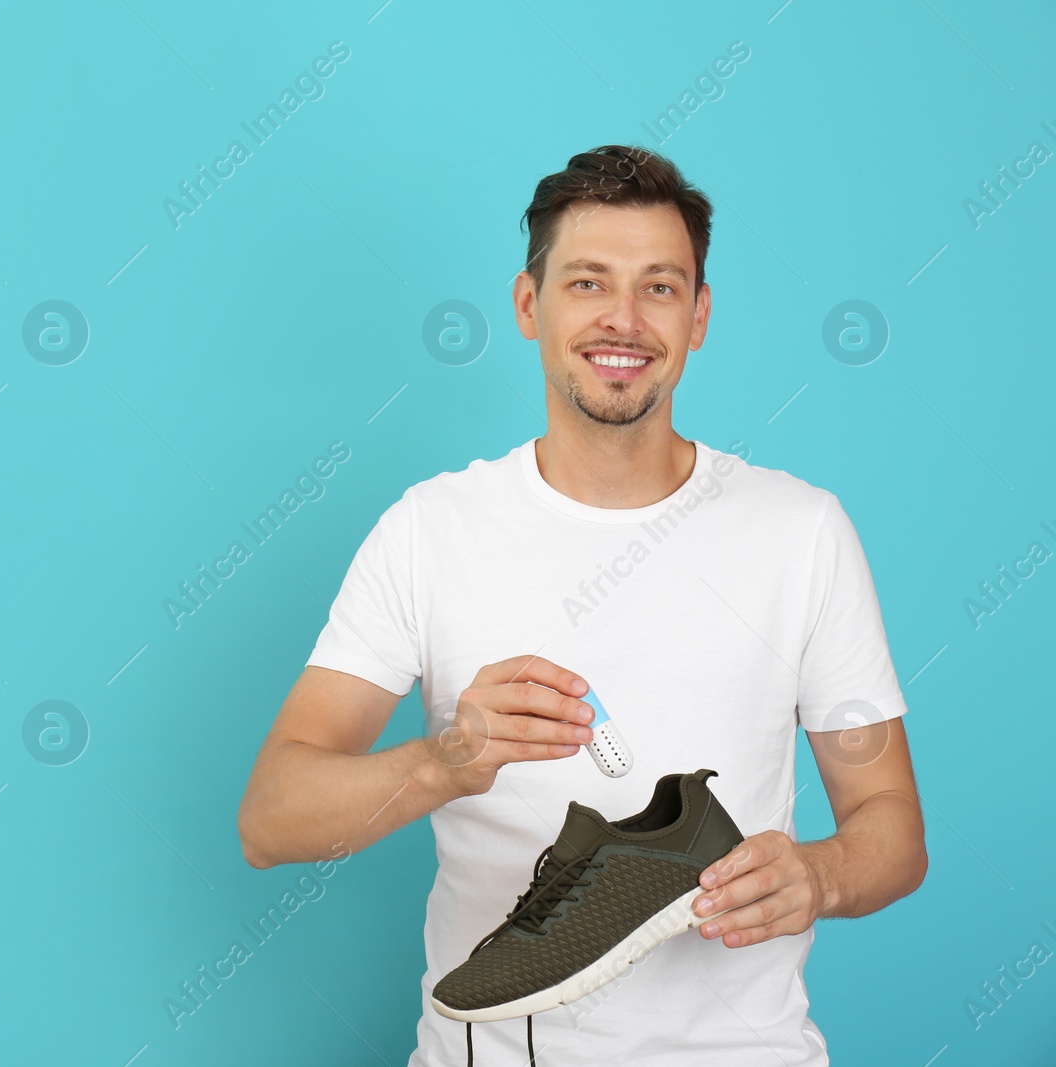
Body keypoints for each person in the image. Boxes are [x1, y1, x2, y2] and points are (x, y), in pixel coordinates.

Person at [236, 144, 927, 1066]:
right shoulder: (430, 530)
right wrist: (449, 759)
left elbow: (891, 825)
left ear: (700, 316)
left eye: (660, 288)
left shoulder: (801, 531)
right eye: (589, 282)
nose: (624, 321)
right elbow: (272, 818)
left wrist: (818, 873)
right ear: (530, 305)